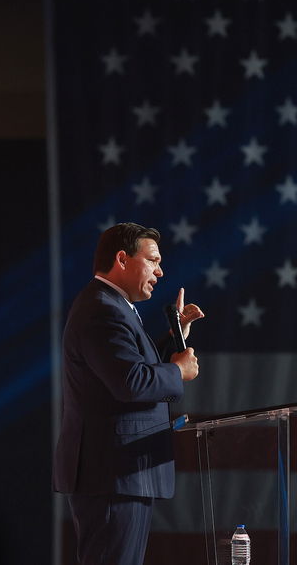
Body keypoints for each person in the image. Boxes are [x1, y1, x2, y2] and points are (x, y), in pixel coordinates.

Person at [53, 222, 205, 565]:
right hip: (112, 474)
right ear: (122, 259)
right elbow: (130, 383)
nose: (160, 271)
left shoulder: (112, 305)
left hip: (120, 473)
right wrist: (179, 370)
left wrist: (174, 337)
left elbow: (129, 368)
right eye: (152, 260)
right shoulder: (102, 309)